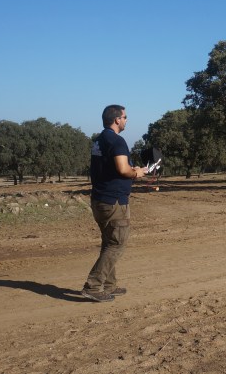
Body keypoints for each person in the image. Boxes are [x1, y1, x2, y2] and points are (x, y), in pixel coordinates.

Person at [82, 104, 147, 303]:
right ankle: (93, 286)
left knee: (109, 243)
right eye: (125, 117)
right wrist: (137, 172)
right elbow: (122, 169)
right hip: (114, 202)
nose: (126, 120)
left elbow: (114, 167)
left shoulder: (99, 140)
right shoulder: (117, 141)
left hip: (100, 199)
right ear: (117, 119)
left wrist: (131, 169)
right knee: (117, 243)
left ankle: (110, 285)